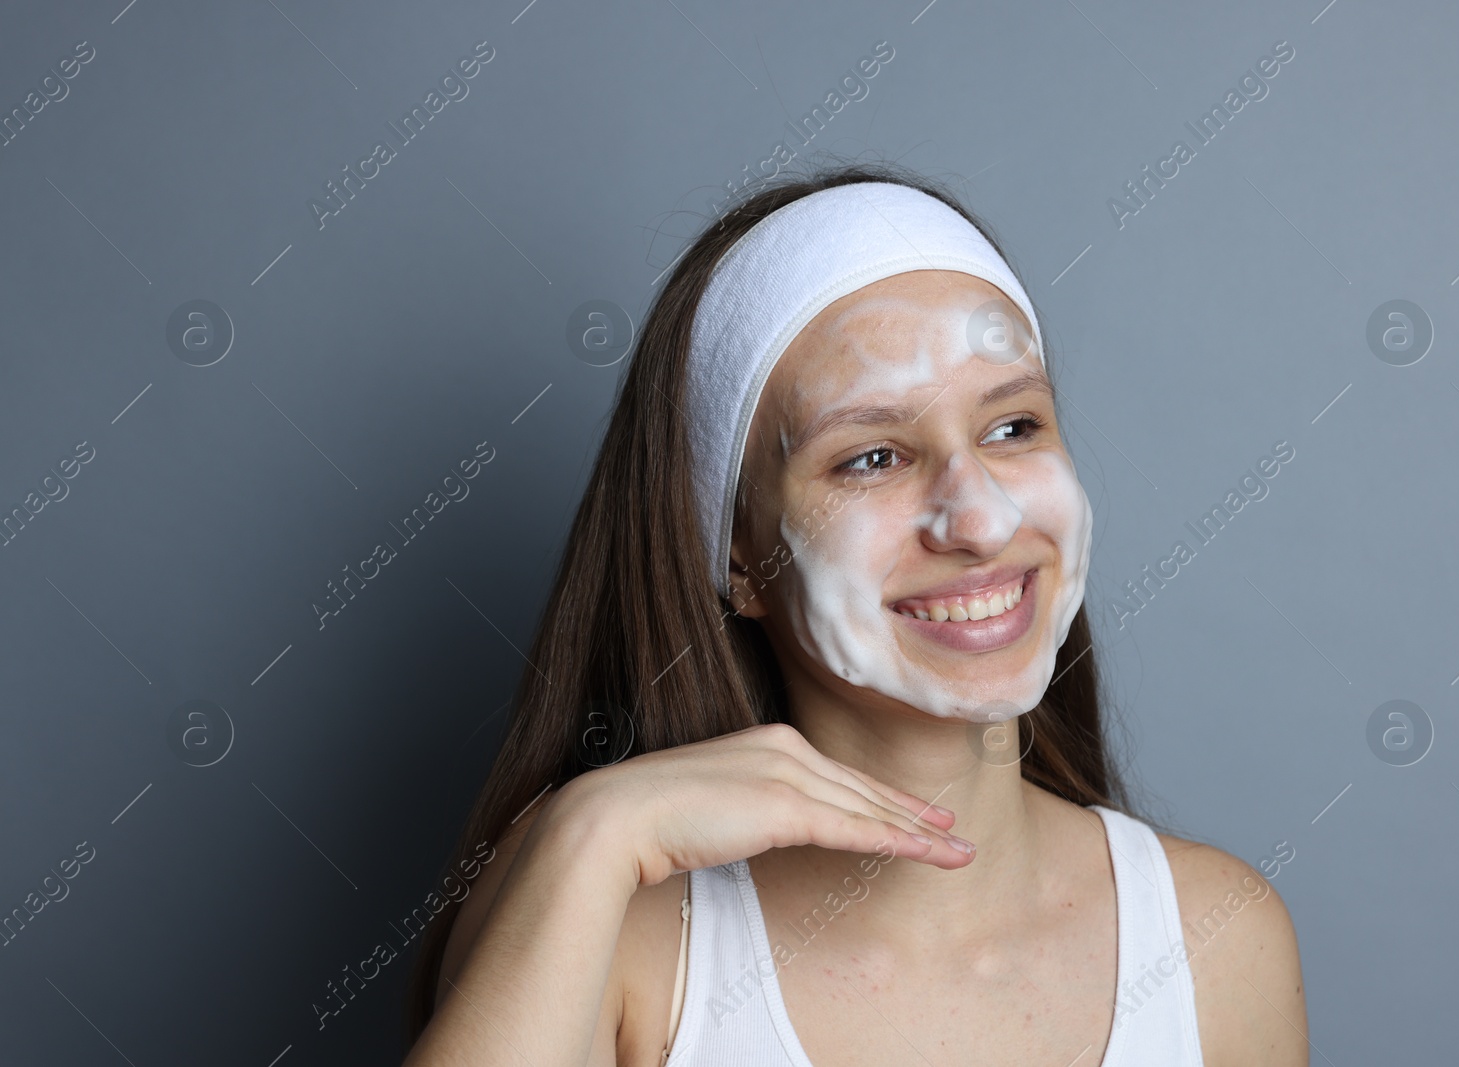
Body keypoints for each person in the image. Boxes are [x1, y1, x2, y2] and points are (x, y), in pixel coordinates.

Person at [401, 163, 1308, 1066]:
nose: (984, 519)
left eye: (1013, 427)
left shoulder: (1215, 941)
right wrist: (592, 829)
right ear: (739, 558)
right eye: (873, 456)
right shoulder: (605, 917)